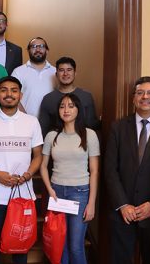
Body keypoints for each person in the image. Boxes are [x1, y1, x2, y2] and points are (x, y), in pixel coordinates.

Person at [104, 76, 150, 264]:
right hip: (122, 213)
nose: (145, 96)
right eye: (140, 92)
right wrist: (123, 204)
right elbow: (110, 169)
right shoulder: (118, 127)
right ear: (133, 98)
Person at [0, 76, 43, 263]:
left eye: (14, 90)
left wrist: (28, 174)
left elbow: (38, 155)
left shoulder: (32, 122)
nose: (9, 94)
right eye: (4, 90)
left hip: (23, 196)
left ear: (20, 95)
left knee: (21, 246)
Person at [40, 93, 100, 264]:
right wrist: (50, 189)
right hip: (57, 192)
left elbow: (94, 171)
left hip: (80, 193)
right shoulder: (52, 136)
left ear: (78, 110)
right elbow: (43, 166)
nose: (66, 110)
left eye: (71, 106)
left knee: (75, 245)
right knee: (60, 244)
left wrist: (91, 203)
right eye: (62, 106)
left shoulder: (89, 135)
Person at [39, 56, 100, 137]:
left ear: (75, 73)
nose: (65, 74)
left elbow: (92, 126)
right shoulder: (48, 99)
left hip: (82, 144)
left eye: (69, 70)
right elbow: (43, 130)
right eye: (61, 70)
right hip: (56, 145)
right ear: (56, 74)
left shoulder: (86, 96)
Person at [12, 37, 56, 117]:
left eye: (42, 46)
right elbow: (13, 96)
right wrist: (26, 118)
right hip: (25, 122)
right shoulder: (18, 72)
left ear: (47, 50)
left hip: (51, 122)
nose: (38, 49)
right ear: (28, 50)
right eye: (34, 46)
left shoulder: (55, 72)